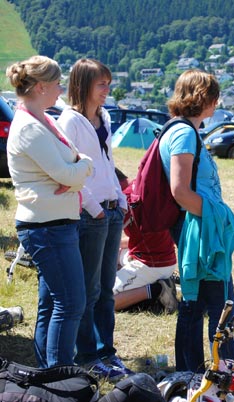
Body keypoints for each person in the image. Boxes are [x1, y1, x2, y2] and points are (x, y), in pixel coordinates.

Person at [5, 55, 93, 367]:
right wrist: (78, 172)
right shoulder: (30, 127)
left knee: (53, 304)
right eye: (57, 84)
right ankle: (58, 376)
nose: (61, 90)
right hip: (47, 227)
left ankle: (48, 375)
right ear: (41, 87)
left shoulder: (44, 119)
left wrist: (78, 169)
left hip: (55, 224)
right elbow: (70, 171)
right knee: (70, 303)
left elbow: (75, 162)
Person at [158, 69, 234, 372]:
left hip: (197, 226)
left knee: (196, 301)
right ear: (204, 98)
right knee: (219, 302)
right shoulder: (183, 133)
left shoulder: (183, 130)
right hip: (199, 229)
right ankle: (223, 370)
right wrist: (217, 216)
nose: (216, 104)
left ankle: (191, 370)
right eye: (214, 97)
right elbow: (180, 191)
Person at [57, 59, 131, 381]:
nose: (107, 90)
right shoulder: (70, 122)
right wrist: (93, 206)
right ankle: (87, 354)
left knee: (106, 288)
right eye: (102, 84)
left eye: (108, 84)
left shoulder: (105, 116)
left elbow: (107, 162)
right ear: (84, 85)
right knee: (88, 289)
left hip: (112, 209)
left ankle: (106, 351)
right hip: (92, 213)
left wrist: (122, 198)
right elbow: (70, 171)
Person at [112, 168, 178, 313]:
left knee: (103, 300)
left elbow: (105, 240)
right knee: (117, 252)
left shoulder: (125, 200)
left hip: (151, 264)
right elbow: (135, 239)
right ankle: (164, 282)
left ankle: (157, 289)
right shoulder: (137, 187)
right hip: (163, 258)